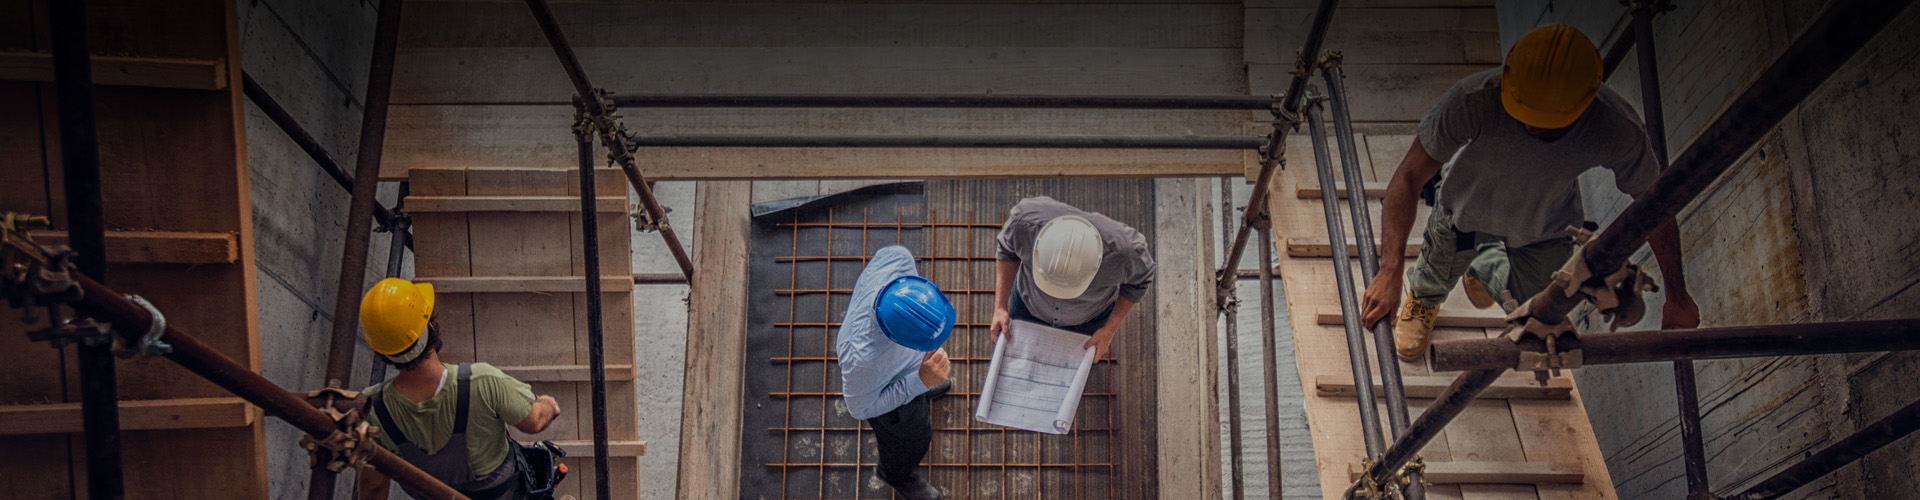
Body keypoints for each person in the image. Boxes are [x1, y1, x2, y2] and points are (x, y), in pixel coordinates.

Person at [1360, 23, 1700, 361]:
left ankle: (1481, 264)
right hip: (1465, 208)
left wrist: (1678, 294)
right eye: (1523, 111)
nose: (1531, 125)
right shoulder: (1474, 98)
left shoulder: (1615, 128)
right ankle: (1426, 298)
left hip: (1544, 224)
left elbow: (1654, 207)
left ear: (1585, 101)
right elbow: (1407, 176)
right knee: (1437, 267)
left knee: (1539, 309)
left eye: (1548, 120)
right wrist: (1390, 270)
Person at [354, 278, 567, 500]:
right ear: (430, 327)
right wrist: (549, 405)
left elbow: (374, 489)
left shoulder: (372, 411)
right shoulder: (483, 382)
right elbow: (533, 422)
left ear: (380, 350)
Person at [837, 245, 956, 500]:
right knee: (913, 439)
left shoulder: (897, 259)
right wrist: (919, 382)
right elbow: (861, 410)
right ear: (898, 340)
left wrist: (922, 378)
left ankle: (923, 385)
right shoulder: (863, 360)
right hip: (883, 390)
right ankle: (895, 474)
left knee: (921, 392)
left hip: (902, 369)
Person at [989, 197, 1154, 359]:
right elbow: (1006, 251)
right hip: (1028, 306)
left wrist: (1109, 330)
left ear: (1097, 263)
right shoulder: (1024, 224)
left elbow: (1140, 282)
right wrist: (1000, 308)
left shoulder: (1127, 253)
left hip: (1088, 320)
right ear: (1037, 246)